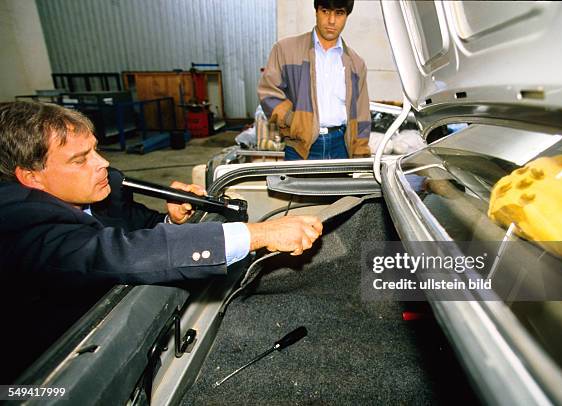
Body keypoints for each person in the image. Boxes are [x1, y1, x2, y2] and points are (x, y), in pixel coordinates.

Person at [0, 101, 323, 286]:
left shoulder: (100, 192)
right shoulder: (21, 223)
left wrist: (173, 218)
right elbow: (116, 254)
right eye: (80, 159)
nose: (104, 164)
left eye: (95, 150)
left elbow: (136, 230)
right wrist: (255, 234)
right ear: (32, 178)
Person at [258, 0, 371, 160]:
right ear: (316, 11)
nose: (331, 20)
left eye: (339, 13)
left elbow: (362, 114)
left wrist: (361, 153)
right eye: (325, 11)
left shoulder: (356, 63)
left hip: (341, 148)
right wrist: (294, 121)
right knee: (296, 186)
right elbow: (268, 92)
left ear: (346, 15)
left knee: (342, 186)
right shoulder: (285, 50)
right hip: (300, 148)